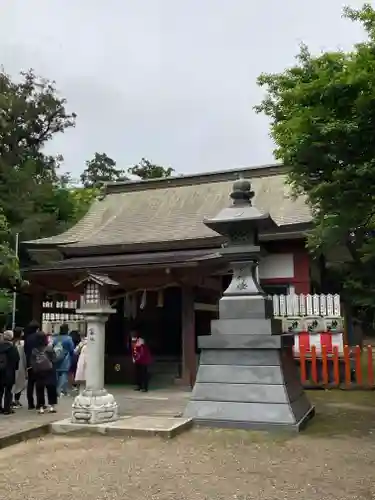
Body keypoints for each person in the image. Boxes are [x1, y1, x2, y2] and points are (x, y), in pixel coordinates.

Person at [30, 332, 57, 414]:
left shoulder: (34, 350)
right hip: (49, 370)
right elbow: (54, 358)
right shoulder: (49, 348)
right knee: (51, 387)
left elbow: (32, 361)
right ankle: (51, 406)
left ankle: (41, 407)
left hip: (39, 371)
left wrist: (35, 369)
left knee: (40, 388)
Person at [0, 330, 20, 414]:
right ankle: (7, 409)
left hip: (0, 372)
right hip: (9, 372)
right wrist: (15, 368)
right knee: (8, 391)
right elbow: (16, 359)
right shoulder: (12, 348)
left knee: (0, 390)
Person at [24, 320, 42, 410]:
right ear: (37, 328)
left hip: (29, 362)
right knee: (39, 383)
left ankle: (30, 403)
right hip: (39, 362)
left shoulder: (27, 338)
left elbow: (25, 350)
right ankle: (39, 403)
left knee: (30, 383)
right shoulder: (40, 336)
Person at [52, 323, 74, 397]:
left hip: (56, 357)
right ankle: (60, 390)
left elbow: (52, 346)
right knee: (64, 374)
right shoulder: (68, 338)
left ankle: (60, 390)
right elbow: (71, 349)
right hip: (65, 358)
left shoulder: (55, 338)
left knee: (57, 374)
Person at [12, 326, 27, 407]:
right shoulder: (21, 344)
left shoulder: (14, 343)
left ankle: (15, 400)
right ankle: (15, 400)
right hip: (19, 366)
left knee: (17, 383)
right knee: (18, 382)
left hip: (16, 366)